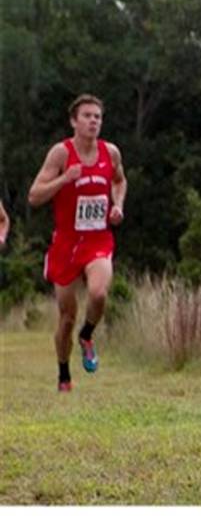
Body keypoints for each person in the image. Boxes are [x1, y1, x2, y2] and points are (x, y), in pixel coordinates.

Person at [27, 94, 127, 393]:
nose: (93, 121)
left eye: (98, 116)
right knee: (67, 317)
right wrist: (64, 180)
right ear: (74, 121)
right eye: (87, 116)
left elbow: (119, 181)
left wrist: (118, 205)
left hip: (98, 239)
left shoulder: (110, 152)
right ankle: (64, 374)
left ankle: (87, 336)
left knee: (98, 293)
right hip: (66, 244)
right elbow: (34, 196)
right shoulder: (61, 154)